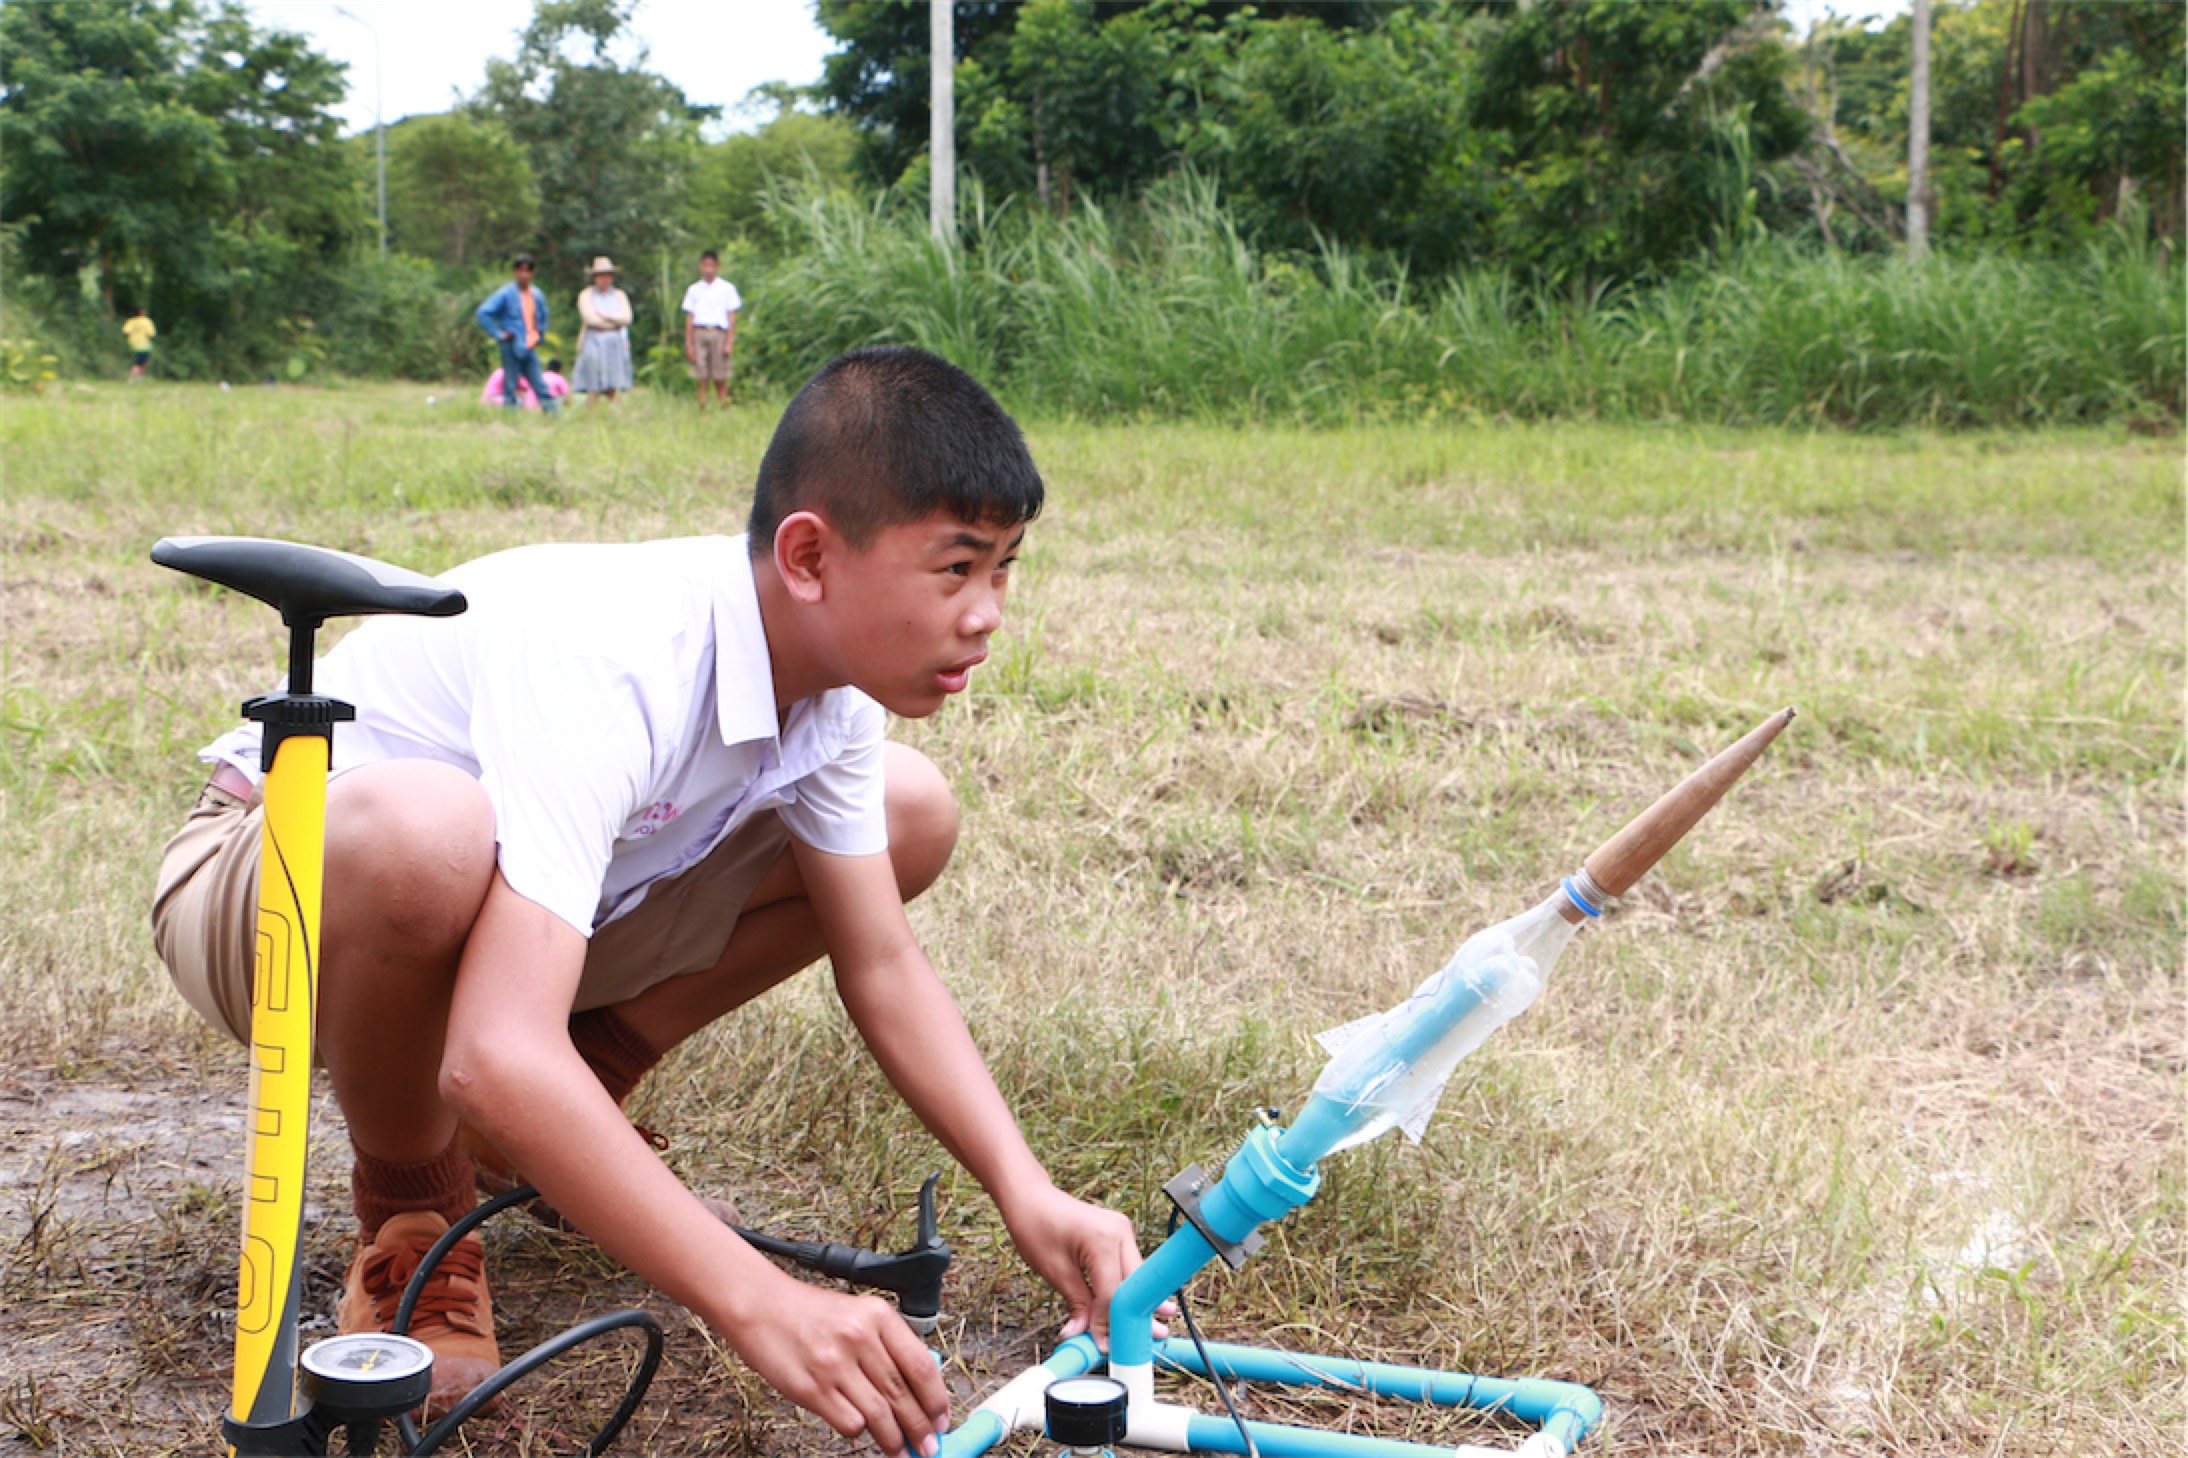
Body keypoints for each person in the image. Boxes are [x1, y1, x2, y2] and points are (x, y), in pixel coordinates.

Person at [150, 346, 1149, 1453]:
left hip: (508, 918)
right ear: (808, 557)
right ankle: (414, 1213)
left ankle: (565, 1105)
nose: (987, 613)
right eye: (955, 568)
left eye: (1004, 569)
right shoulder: (618, 653)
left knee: (908, 811)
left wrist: (1027, 1190)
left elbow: (881, 962)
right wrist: (760, 1302)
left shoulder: (833, 688)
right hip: (278, 894)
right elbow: (492, 1054)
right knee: (429, 835)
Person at [475, 253, 557, 416]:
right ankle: (510, 417)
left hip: (528, 344)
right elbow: (483, 313)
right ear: (515, 272)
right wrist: (498, 334)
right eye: (520, 270)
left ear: (532, 273)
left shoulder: (536, 294)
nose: (524, 274)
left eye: (527, 271)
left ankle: (552, 414)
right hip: (511, 343)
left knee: (539, 383)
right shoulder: (506, 293)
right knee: (511, 383)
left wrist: (539, 334)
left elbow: (543, 315)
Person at [681, 249, 740, 407]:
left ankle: (724, 406)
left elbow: (731, 317)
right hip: (699, 332)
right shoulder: (694, 289)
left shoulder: (727, 288)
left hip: (719, 332)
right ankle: (702, 407)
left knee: (720, 376)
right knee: (701, 375)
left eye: (711, 265)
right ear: (700, 266)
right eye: (705, 265)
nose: (708, 269)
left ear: (717, 266)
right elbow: (690, 317)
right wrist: (689, 344)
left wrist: (729, 342)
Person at [572, 257, 635, 404]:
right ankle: (591, 411)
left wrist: (607, 317)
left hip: (616, 342)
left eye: (608, 275)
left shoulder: (620, 295)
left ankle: (614, 410)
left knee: (614, 382)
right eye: (601, 276)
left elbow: (627, 317)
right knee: (593, 381)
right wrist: (615, 321)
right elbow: (591, 319)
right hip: (593, 340)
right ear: (595, 277)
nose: (605, 279)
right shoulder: (586, 295)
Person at [477, 358, 568, 411]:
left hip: (490, 399)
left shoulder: (501, 371)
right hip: (495, 400)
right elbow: (523, 389)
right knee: (521, 400)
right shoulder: (508, 373)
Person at [123, 307, 156, 382]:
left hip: (132, 343)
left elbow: (126, 332)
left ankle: (139, 377)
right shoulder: (146, 321)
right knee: (140, 362)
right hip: (143, 344)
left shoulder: (131, 321)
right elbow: (151, 334)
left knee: (141, 361)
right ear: (142, 313)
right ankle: (132, 378)